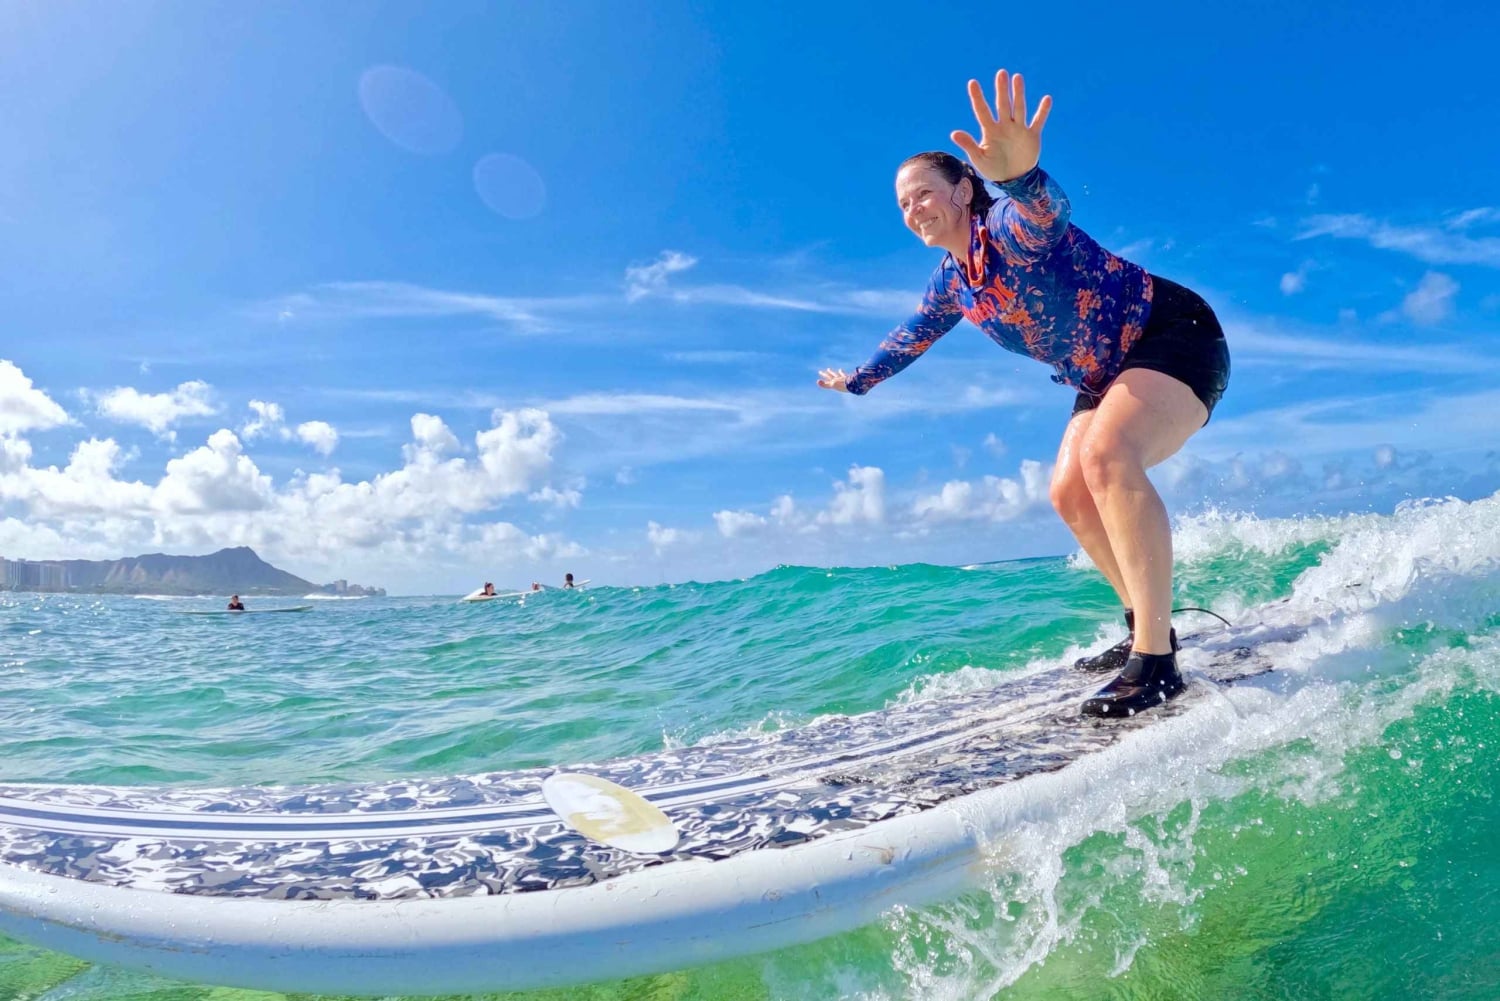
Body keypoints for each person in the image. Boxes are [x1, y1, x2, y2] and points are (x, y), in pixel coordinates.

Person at [817, 70, 1229, 719]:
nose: (912, 209)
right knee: (1067, 491)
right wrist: (858, 379)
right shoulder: (952, 283)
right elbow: (910, 336)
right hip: (1104, 373)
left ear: (962, 190)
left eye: (923, 193)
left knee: (1106, 456)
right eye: (902, 204)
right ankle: (1145, 623)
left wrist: (1018, 176)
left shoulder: (1010, 228)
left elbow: (1047, 211)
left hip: (1173, 333)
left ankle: (1155, 664)